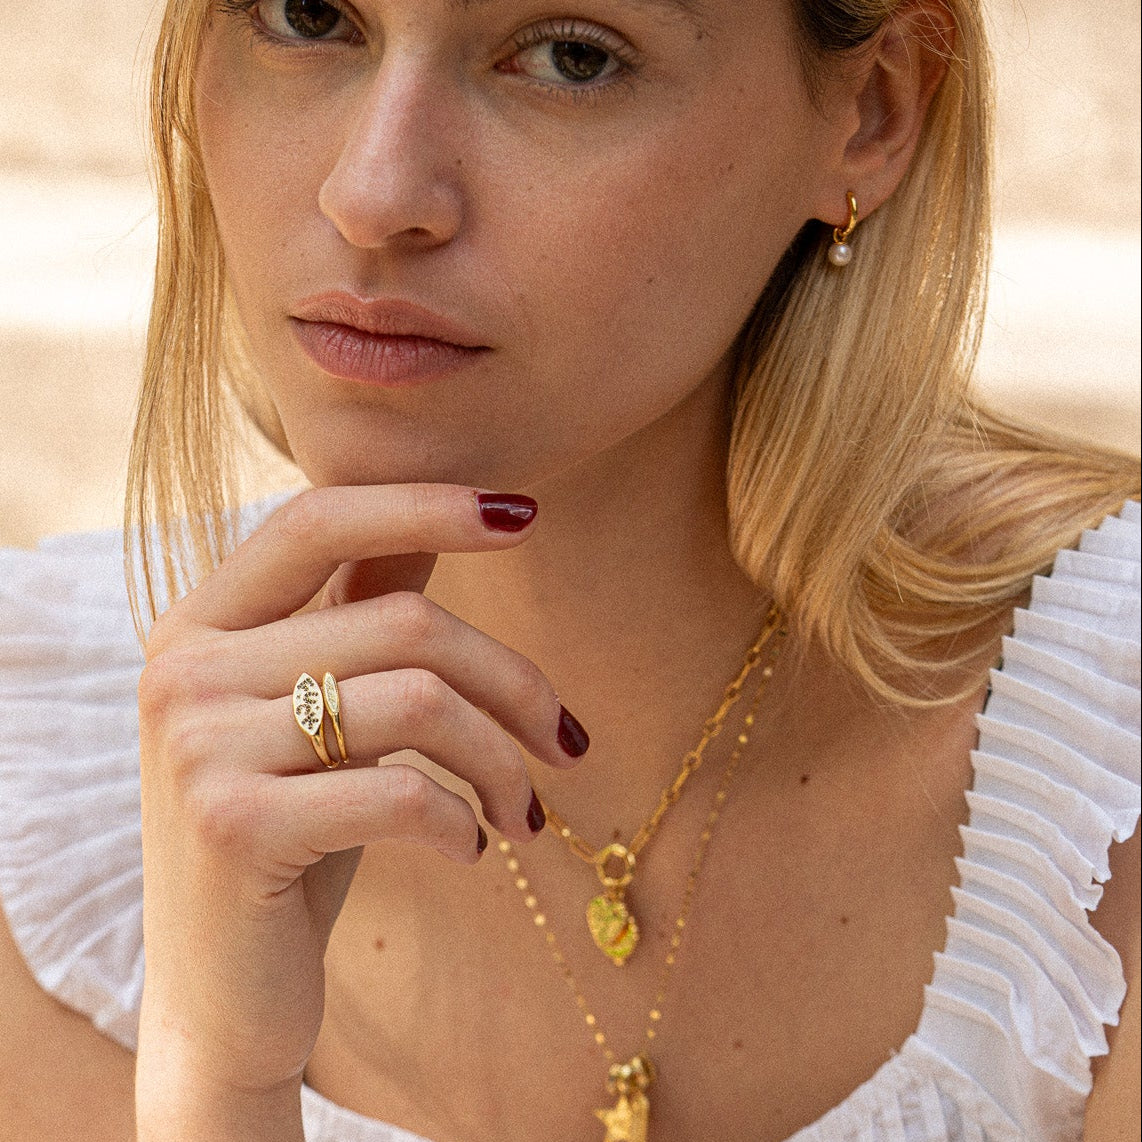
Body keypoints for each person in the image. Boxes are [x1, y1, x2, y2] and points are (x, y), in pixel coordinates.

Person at [0, 0, 1138, 1139]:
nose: (373, 191)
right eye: (308, 17)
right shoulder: (44, 801)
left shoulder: (1101, 782)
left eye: (570, 57)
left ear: (870, 111)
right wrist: (216, 1078)